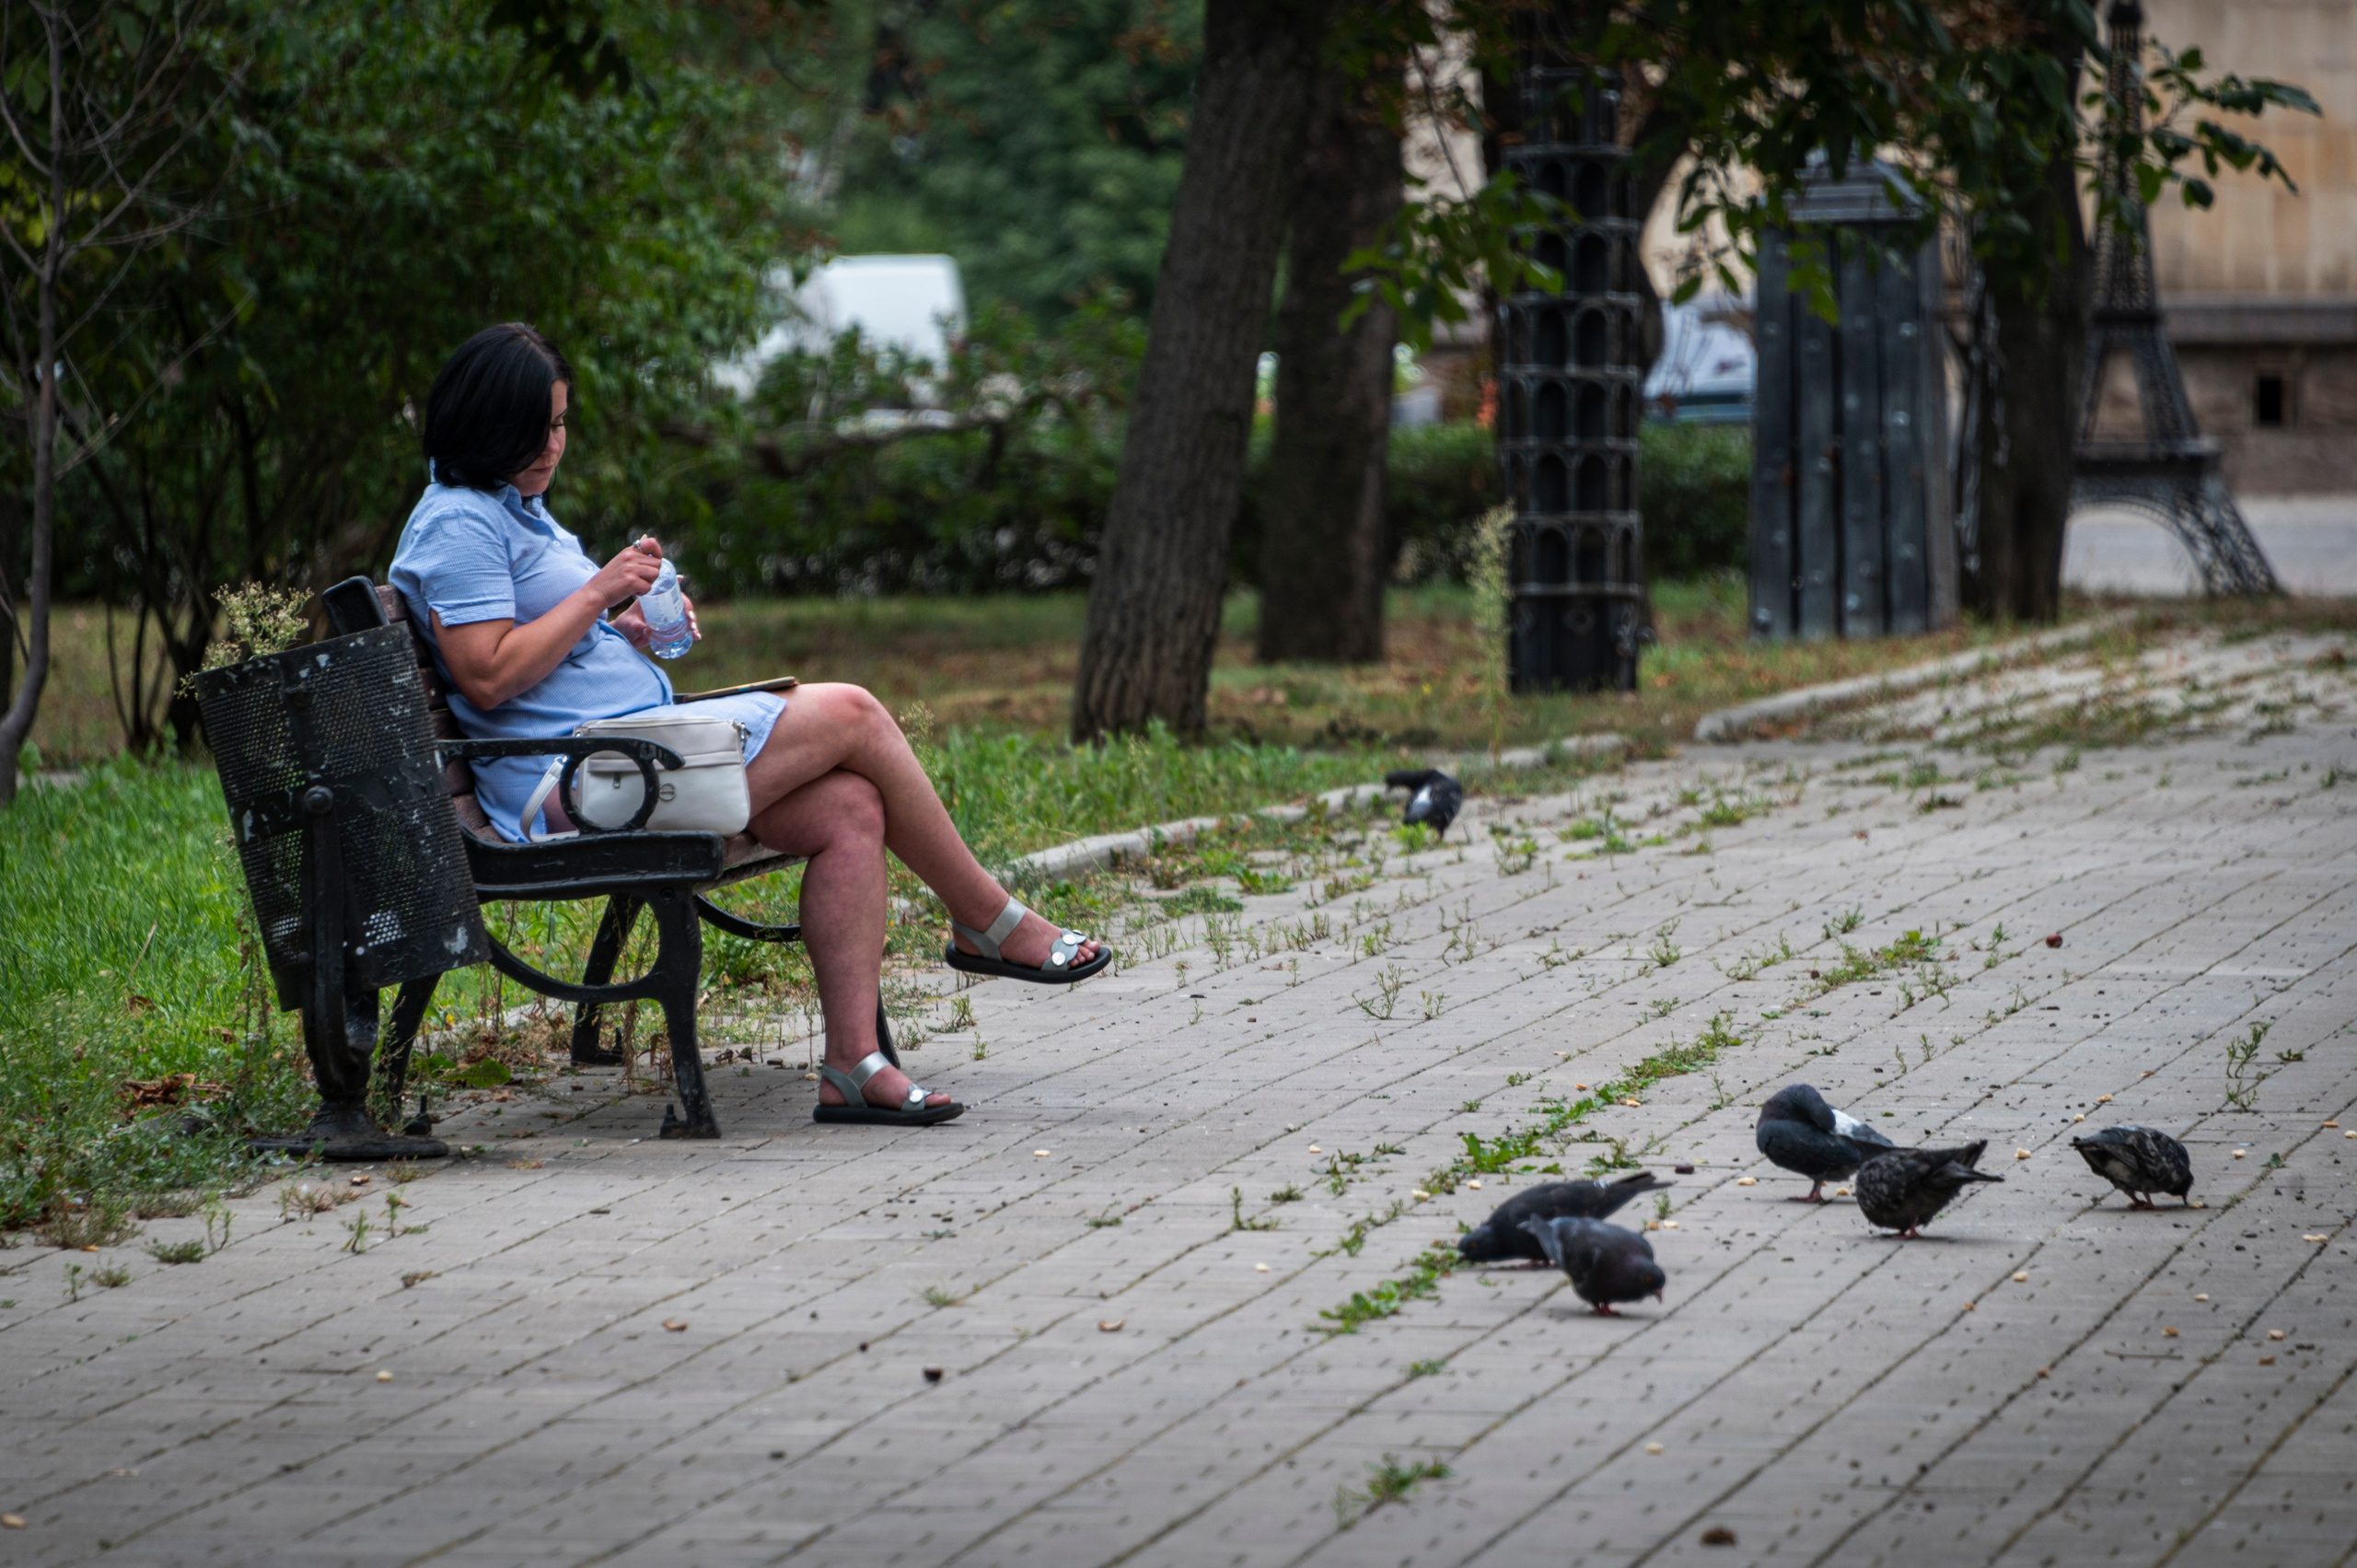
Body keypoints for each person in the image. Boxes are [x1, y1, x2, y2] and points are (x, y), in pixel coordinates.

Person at [389, 323, 1105, 1126]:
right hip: (578, 788)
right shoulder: (458, 523)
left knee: (850, 811)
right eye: (539, 427)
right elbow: (486, 678)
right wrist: (598, 594)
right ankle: (987, 920)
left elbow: (533, 649)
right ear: (488, 424)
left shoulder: (513, 508)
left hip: (628, 759)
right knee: (857, 712)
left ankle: (853, 1066)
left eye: (560, 423)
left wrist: (619, 631)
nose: (555, 444)